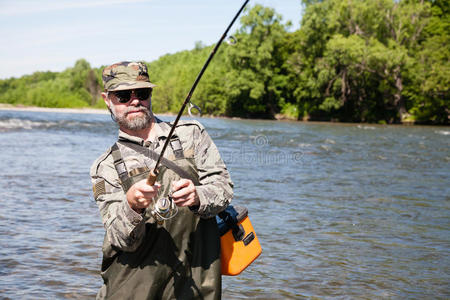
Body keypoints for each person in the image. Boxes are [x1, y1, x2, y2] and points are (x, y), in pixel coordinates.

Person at [90, 61, 233, 299]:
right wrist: (132, 206)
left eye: (142, 93)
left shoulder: (192, 134)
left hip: (196, 284)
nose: (135, 101)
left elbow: (224, 190)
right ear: (108, 100)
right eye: (124, 95)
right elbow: (119, 238)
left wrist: (198, 196)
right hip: (132, 288)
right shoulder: (104, 167)